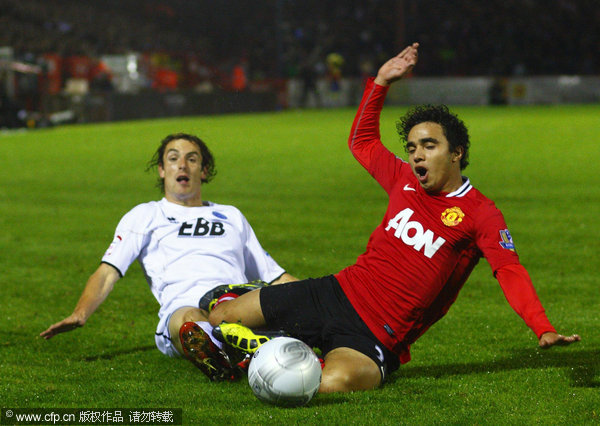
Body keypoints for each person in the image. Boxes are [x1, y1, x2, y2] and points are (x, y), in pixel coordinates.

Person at [207, 43, 581, 393]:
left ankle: (277, 346)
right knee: (222, 317)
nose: (417, 155)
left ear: (457, 154)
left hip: (377, 336)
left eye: (429, 146)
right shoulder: (404, 178)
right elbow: (363, 142)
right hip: (334, 292)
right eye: (413, 147)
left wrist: (542, 327)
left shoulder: (481, 213)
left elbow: (509, 270)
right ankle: (270, 333)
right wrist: (381, 82)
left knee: (326, 383)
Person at [40, 133, 296, 381]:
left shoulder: (231, 216)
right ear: (162, 170)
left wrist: (321, 293)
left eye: (192, 159)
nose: (182, 164)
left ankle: (236, 347)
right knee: (189, 321)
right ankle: (239, 345)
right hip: (184, 310)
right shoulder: (146, 215)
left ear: (204, 171)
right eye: (173, 158)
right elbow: (108, 272)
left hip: (234, 301)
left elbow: (275, 275)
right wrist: (80, 313)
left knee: (253, 306)